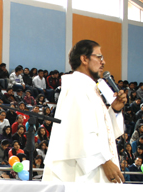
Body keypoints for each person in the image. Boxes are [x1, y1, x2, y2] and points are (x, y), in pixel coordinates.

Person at [43, 40, 127, 183]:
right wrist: (106, 162)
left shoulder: (89, 88)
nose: (103, 62)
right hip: (86, 169)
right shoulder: (77, 87)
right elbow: (79, 131)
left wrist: (115, 110)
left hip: (96, 165)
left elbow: (104, 132)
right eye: (99, 57)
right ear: (84, 59)